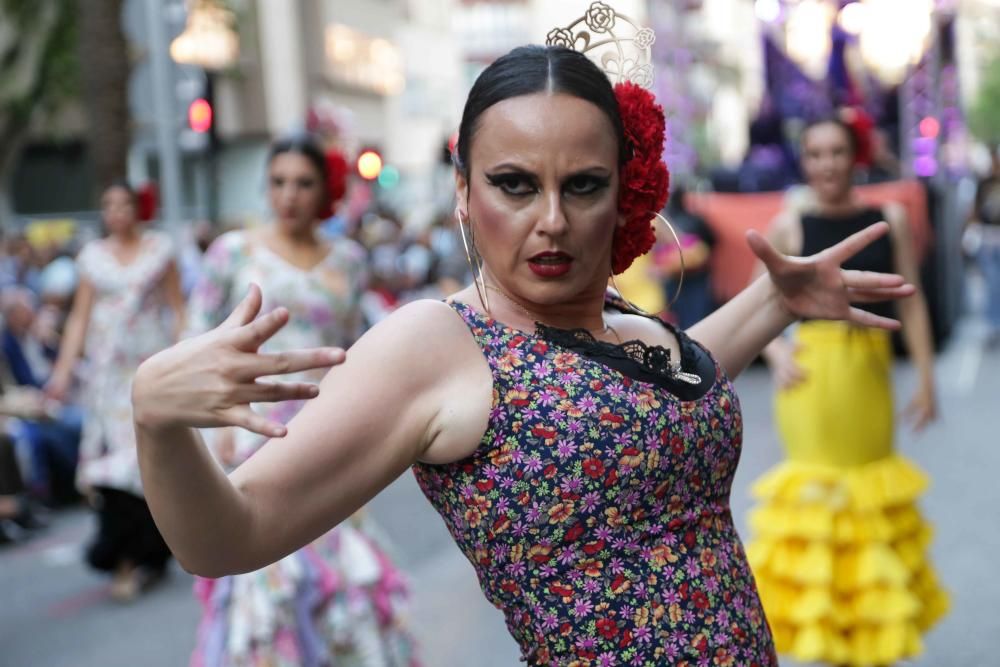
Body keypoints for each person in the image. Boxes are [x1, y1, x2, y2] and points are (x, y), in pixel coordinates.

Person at [131, 46, 917, 666]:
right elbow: (229, 535)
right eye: (514, 184)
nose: (552, 220)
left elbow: (654, 402)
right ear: (464, 194)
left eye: (583, 185)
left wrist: (777, 300)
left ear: (624, 194)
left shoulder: (612, 318)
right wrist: (157, 419)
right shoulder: (436, 344)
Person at [184, 134, 418, 667]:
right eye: (279, 182)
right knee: (265, 573)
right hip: (251, 429)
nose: (289, 194)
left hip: (328, 426)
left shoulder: (350, 261)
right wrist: (214, 425)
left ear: (324, 191)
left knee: (344, 572)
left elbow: (363, 347)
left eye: (304, 183)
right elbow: (196, 340)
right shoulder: (232, 253)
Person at [749, 118, 949, 666]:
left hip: (870, 373)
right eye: (815, 153)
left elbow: (909, 300)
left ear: (855, 155)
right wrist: (777, 352)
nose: (828, 163)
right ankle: (829, 644)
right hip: (812, 379)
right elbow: (753, 302)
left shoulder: (890, 219)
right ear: (804, 161)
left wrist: (928, 380)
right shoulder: (790, 224)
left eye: (837, 151)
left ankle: (864, 643)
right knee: (821, 503)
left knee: (868, 500)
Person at [46, 182, 186, 600]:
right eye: (108, 205)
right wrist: (62, 371)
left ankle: (155, 552)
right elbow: (78, 319)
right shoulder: (92, 259)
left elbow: (178, 309)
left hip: (149, 369)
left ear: (137, 208)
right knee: (111, 468)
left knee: (147, 463)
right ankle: (123, 559)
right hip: (107, 379)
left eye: (124, 204)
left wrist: (185, 360)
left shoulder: (159, 251)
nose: (117, 212)